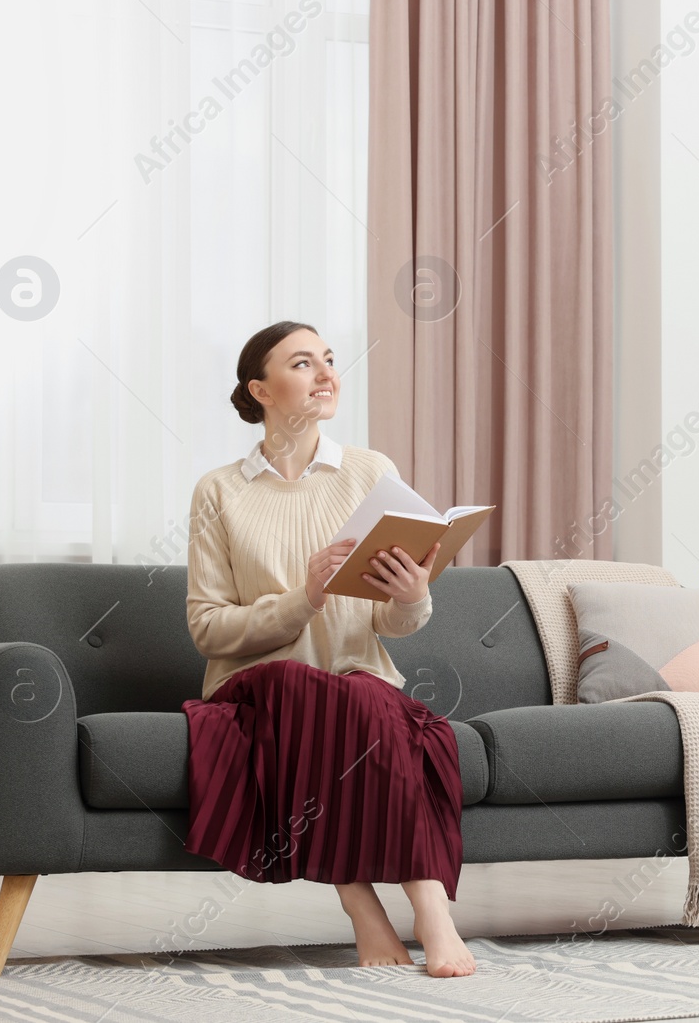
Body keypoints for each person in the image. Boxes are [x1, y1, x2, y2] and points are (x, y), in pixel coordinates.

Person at [180, 320, 475, 977]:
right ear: (260, 388)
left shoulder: (371, 473)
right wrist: (303, 598)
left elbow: (389, 627)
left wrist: (409, 595)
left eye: (330, 360)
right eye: (303, 362)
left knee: (364, 695)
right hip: (258, 691)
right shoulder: (220, 491)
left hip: (353, 687)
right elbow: (208, 628)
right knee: (308, 687)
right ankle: (373, 911)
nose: (326, 374)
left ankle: (426, 913)